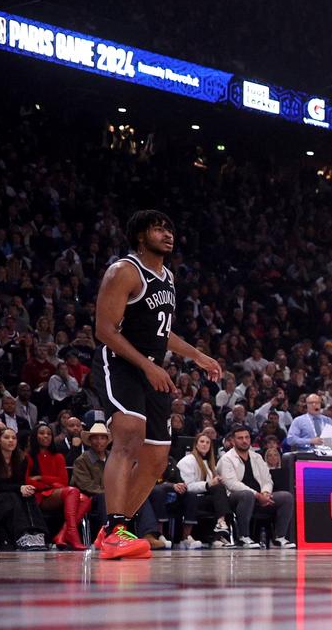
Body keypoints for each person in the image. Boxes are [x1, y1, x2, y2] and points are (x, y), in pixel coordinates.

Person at [89, 210, 221, 559]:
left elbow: (163, 333)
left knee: (156, 460)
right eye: (158, 228)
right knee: (129, 435)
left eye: (169, 228)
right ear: (140, 236)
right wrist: (147, 365)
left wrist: (197, 355)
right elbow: (104, 330)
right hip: (120, 364)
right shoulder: (124, 271)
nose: (167, 234)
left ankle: (113, 532)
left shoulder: (168, 278)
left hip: (151, 368)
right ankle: (116, 527)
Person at [217, 427, 295, 548]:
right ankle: (244, 537)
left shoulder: (257, 457)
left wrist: (265, 493)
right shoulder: (226, 459)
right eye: (240, 438)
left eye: (247, 437)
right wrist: (257, 495)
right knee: (246, 494)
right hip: (234, 498)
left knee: (286, 497)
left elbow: (267, 479)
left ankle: (279, 537)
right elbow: (232, 484)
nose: (244, 441)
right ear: (233, 441)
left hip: (259, 497)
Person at [0, 428, 48, 550]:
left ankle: (37, 533)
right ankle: (21, 535)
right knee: (12, 498)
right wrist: (19, 488)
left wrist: (24, 488)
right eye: (6, 438)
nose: (11, 441)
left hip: (9, 491)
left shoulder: (21, 458)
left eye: (13, 438)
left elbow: (19, 482)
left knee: (28, 496)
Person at [25, 424, 91, 550]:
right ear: (35, 436)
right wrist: (48, 484)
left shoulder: (58, 457)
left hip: (59, 493)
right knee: (73, 492)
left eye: (49, 434)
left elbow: (64, 481)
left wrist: (40, 477)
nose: (46, 436)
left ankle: (62, 534)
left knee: (85, 500)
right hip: (40, 496)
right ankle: (72, 534)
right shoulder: (28, 457)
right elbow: (27, 481)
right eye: (42, 433)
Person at [177, 433, 233, 549]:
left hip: (203, 497)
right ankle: (220, 523)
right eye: (202, 442)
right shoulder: (187, 461)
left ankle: (216, 535)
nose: (205, 444)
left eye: (208, 442)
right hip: (188, 497)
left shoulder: (210, 463)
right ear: (196, 445)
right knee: (217, 491)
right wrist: (208, 484)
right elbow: (188, 486)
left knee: (224, 495)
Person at [72, 423, 111, 534]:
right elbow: (86, 485)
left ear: (107, 440)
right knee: (102, 497)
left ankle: (149, 534)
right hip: (91, 498)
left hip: (112, 496)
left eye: (103, 438)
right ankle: (108, 535)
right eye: (95, 438)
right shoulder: (82, 460)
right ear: (90, 441)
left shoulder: (113, 457)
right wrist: (109, 494)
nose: (99, 441)